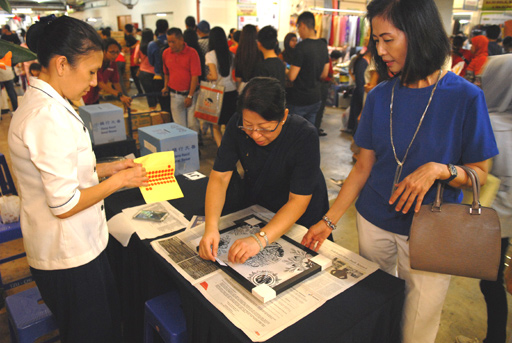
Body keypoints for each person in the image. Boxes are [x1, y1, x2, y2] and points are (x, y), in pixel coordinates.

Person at [302, 0, 499, 342]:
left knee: (419, 320)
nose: (380, 50)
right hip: (374, 219)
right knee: (377, 305)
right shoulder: (380, 96)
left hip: (433, 227)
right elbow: (363, 168)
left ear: (418, 34)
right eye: (376, 40)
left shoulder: (465, 97)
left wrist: (441, 170)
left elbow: (480, 173)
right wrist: (328, 220)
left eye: (387, 39)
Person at [8, 16, 148, 343]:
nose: (94, 81)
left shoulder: (52, 104)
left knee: (106, 326)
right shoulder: (46, 116)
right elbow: (64, 203)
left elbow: (63, 168)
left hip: (80, 245)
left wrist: (108, 169)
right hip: (67, 255)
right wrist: (120, 182)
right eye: (90, 71)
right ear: (61, 64)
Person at [199, 77, 329, 264]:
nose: (255, 135)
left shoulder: (304, 135)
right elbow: (220, 177)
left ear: (283, 116)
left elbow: (298, 201)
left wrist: (260, 239)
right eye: (249, 126)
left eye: (265, 128)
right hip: (263, 205)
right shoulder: (236, 125)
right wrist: (211, 227)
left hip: (299, 213)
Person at [456, 54, 512, 343]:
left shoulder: (485, 122)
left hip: (493, 221)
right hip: (507, 218)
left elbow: (468, 173)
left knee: (490, 283)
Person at [286, 11, 330, 126]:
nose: (298, 32)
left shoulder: (301, 47)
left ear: (303, 26)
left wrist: (286, 70)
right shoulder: (322, 45)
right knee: (309, 133)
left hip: (299, 99)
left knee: (295, 135)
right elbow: (324, 74)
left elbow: (292, 76)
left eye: (298, 28)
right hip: (315, 98)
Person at [162, 28, 201, 132]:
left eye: (173, 42)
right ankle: (184, 146)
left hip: (191, 94)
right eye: (169, 42)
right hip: (175, 95)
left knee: (192, 125)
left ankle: (194, 145)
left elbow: (194, 76)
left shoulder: (192, 53)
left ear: (181, 40)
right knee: (179, 127)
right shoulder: (166, 53)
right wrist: (165, 86)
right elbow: (166, 73)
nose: (171, 44)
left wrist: (190, 96)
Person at [205, 26, 237, 147]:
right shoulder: (231, 55)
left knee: (216, 126)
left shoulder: (210, 55)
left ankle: (222, 151)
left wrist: (208, 76)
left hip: (217, 94)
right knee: (229, 125)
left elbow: (214, 76)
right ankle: (233, 149)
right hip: (231, 92)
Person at [82, 38, 132, 108]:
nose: (115, 55)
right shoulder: (96, 63)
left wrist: (123, 97)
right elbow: (100, 84)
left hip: (94, 97)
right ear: (104, 51)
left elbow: (116, 82)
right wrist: (118, 95)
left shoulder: (113, 64)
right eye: (112, 52)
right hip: (83, 96)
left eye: (117, 52)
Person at [148, 19, 171, 115]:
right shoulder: (172, 42)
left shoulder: (152, 44)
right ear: (167, 28)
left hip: (159, 77)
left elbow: (151, 62)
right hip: (172, 77)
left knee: (164, 106)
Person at [135, 28, 158, 110]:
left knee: (149, 94)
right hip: (156, 73)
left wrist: (142, 61)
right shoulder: (155, 45)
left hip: (144, 73)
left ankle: (152, 111)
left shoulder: (139, 46)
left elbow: (135, 60)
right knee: (157, 93)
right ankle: (160, 112)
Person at [234, 24, 262, 90]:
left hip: (244, 87)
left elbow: (238, 76)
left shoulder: (239, 51)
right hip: (258, 87)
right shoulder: (259, 51)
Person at [124, 24, 143, 94]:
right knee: (136, 76)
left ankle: (140, 91)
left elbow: (137, 44)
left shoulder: (129, 37)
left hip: (132, 59)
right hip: (134, 58)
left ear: (126, 29)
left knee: (136, 77)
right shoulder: (131, 37)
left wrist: (129, 48)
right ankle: (140, 91)